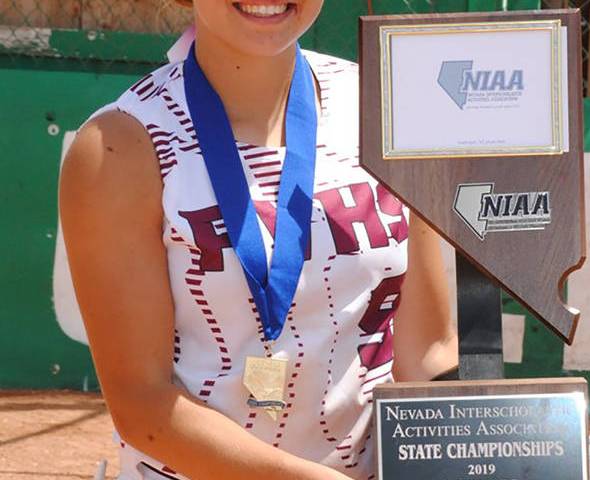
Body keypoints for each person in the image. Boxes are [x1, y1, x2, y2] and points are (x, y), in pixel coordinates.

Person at [59, 1, 457, 479]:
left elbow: (429, 354)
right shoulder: (118, 145)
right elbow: (143, 404)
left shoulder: (385, 106)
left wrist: (517, 437)